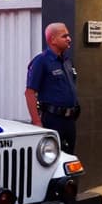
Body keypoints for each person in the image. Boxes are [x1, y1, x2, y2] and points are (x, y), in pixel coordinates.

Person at [25, 22, 79, 154]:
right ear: (53, 40)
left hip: (69, 120)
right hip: (53, 120)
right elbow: (29, 93)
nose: (69, 39)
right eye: (64, 36)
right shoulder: (41, 61)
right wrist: (37, 122)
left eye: (68, 35)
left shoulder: (67, 61)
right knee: (52, 158)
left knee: (68, 157)